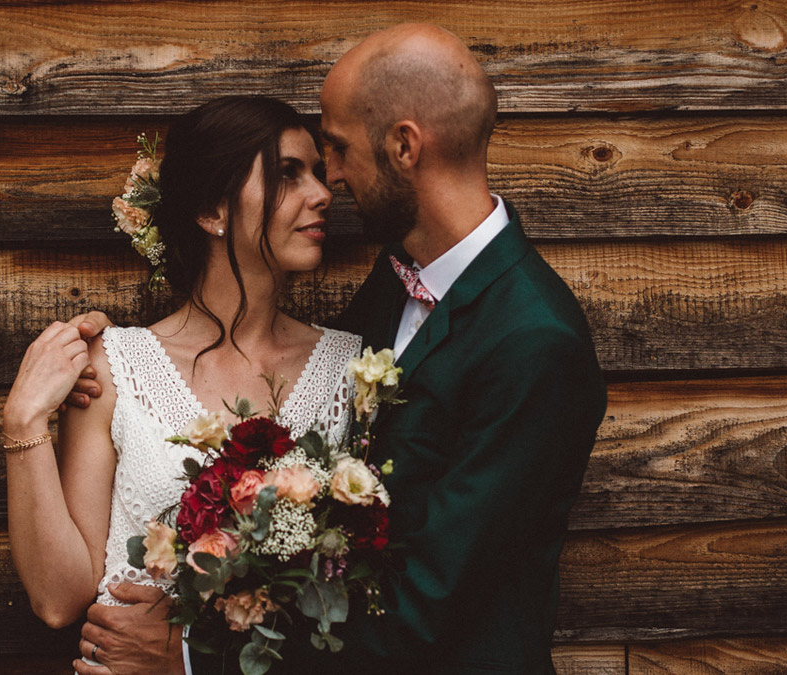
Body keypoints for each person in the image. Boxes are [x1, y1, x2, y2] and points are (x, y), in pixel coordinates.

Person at [71, 23, 606, 675]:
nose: (335, 181)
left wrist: (191, 654)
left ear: (405, 145)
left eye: (340, 151)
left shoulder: (535, 341)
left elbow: (428, 607)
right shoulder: (392, 285)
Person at [0, 96, 361, 671]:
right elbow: (57, 598)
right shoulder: (116, 364)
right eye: (288, 175)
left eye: (318, 172)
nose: (322, 193)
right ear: (211, 209)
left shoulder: (354, 370)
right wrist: (22, 421)